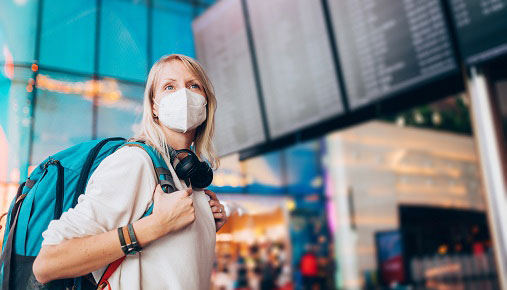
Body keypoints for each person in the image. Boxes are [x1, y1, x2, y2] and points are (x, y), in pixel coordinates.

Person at [32, 54, 228, 289]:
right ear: (154, 107)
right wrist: (157, 226)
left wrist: (205, 224)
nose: (183, 95)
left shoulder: (190, 177)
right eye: (169, 86)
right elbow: (47, 263)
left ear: (206, 101)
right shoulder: (136, 162)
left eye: (193, 85)